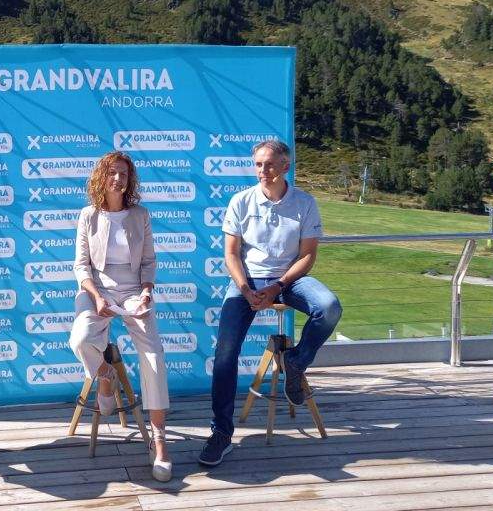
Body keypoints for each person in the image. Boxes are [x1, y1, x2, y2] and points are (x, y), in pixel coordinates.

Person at [198, 139, 342, 467]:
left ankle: (296, 361)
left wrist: (278, 285)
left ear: (285, 166)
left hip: (290, 280)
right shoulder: (241, 201)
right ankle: (221, 433)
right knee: (225, 355)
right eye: (259, 164)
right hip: (248, 282)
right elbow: (231, 254)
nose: (263, 170)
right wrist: (246, 289)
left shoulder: (305, 203)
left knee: (329, 307)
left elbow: (308, 256)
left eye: (270, 164)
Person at [69, 151, 173, 482]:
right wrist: (97, 297)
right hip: (96, 289)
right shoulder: (88, 215)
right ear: (101, 177)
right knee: (81, 339)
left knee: (153, 355)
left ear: (130, 181)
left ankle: (159, 441)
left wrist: (146, 292)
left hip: (133, 292)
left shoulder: (140, 215)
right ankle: (105, 376)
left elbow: (149, 262)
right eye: (112, 173)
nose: (117, 179)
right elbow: (81, 266)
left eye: (123, 174)